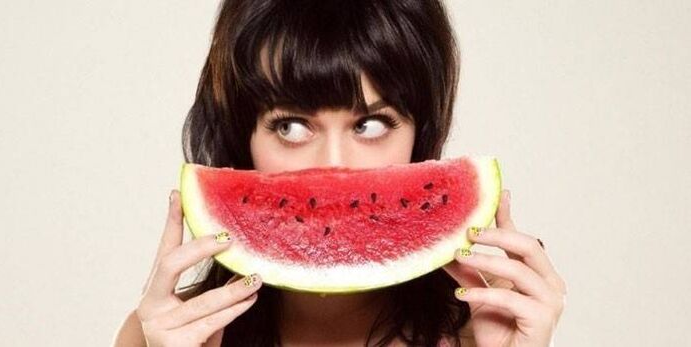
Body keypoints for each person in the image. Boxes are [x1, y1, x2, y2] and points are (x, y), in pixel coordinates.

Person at [113, 1, 566, 346]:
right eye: (291, 126)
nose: (334, 165)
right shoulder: (161, 334)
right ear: (241, 137)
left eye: (370, 125)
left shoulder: (483, 335)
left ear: (420, 136)